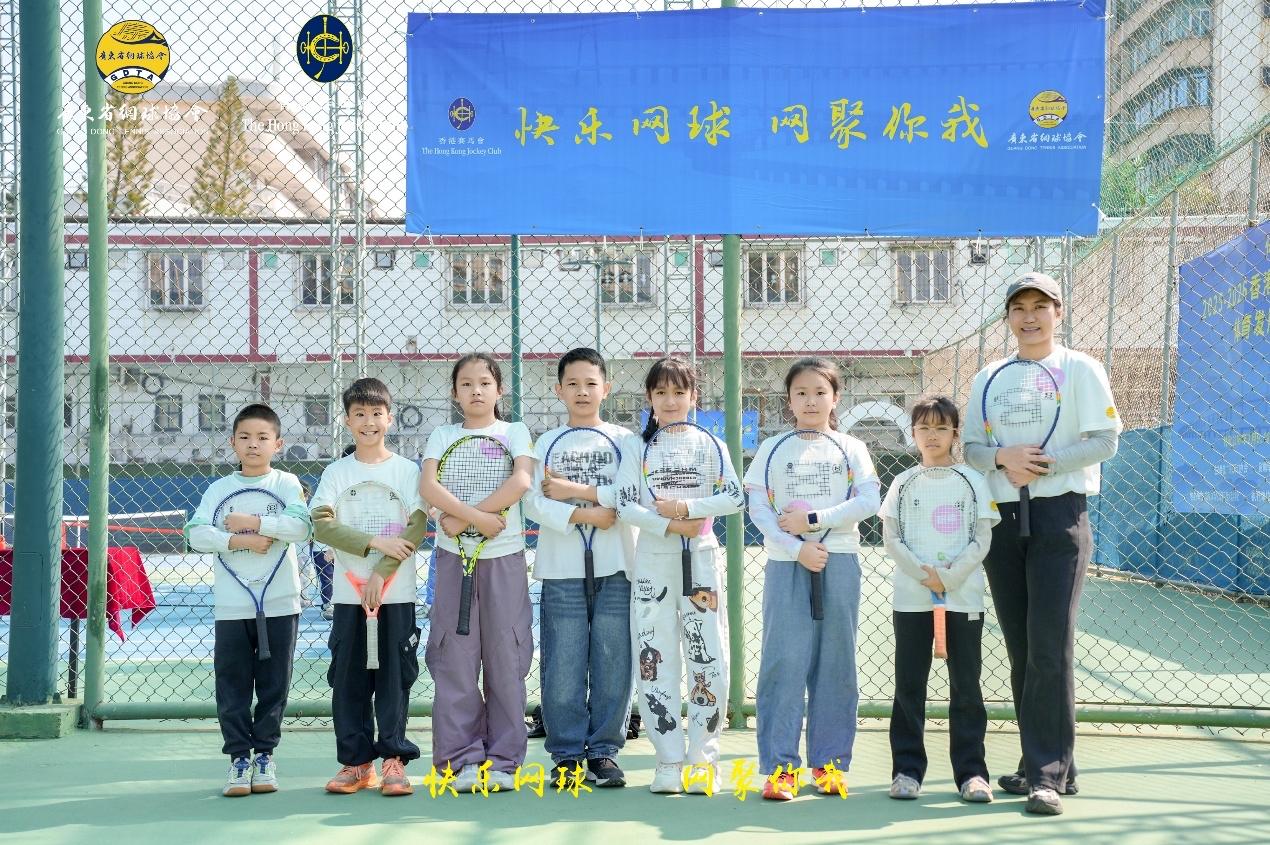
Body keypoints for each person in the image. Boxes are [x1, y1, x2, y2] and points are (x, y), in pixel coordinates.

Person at [963, 272, 1121, 816]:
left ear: (1058, 312)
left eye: (1040, 306)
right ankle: (1050, 765)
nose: (1029, 317)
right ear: (1008, 317)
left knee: (1049, 646)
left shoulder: (1082, 368)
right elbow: (972, 448)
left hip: (1059, 517)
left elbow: (1105, 439)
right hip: (1003, 521)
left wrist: (1044, 463)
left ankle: (1045, 777)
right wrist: (1002, 458)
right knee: (1023, 649)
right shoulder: (988, 376)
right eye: (1019, 308)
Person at [743, 357, 880, 800]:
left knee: (836, 663)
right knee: (783, 662)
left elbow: (868, 500)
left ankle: (829, 765)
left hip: (839, 560)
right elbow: (760, 509)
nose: (810, 401)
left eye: (820, 392)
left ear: (835, 398)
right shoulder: (772, 449)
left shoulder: (851, 447)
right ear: (789, 399)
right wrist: (796, 547)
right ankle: (780, 768)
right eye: (801, 392)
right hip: (787, 563)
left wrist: (815, 521)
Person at [615, 356, 744, 795]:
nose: (670, 401)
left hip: (702, 560)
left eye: (679, 392)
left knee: (709, 658)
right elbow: (626, 505)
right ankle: (668, 760)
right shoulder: (635, 447)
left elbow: (734, 497)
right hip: (653, 563)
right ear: (649, 398)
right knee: (655, 658)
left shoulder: (711, 444)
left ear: (693, 396)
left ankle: (703, 761)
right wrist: (671, 525)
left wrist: (688, 509)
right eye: (661, 392)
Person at [421, 353, 536, 793]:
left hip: (504, 559)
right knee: (455, 660)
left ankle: (504, 761)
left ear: (499, 390)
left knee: (506, 660)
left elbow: (520, 482)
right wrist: (475, 520)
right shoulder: (443, 435)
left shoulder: (514, 431)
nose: (476, 390)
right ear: (455, 393)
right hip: (453, 559)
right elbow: (428, 487)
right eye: (466, 384)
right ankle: (461, 760)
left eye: (485, 383)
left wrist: (471, 518)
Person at [524, 347, 637, 787]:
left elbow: (631, 496)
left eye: (591, 383)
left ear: (606, 388)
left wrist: (581, 495)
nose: (582, 391)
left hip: (617, 568)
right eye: (572, 384)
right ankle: (567, 754)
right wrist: (583, 514)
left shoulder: (625, 440)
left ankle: (604, 752)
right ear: (558, 390)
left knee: (614, 661)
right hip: (561, 571)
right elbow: (534, 502)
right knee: (563, 664)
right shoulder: (546, 442)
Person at [185, 403, 311, 797]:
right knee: (233, 684)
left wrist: (254, 523)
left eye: (262, 437)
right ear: (232, 442)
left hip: (281, 603)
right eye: (245, 437)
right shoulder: (218, 489)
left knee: (275, 685)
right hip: (232, 607)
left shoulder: (287, 483)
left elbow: (301, 528)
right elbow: (195, 534)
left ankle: (265, 756)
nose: (253, 444)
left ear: (278, 444)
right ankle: (239, 758)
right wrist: (240, 541)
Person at [879, 395, 998, 803]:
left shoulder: (973, 481)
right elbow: (891, 538)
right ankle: (906, 772)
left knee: (966, 687)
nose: (932, 436)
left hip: (963, 600)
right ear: (913, 433)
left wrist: (948, 576)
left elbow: (982, 538)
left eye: (941, 428)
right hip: (911, 601)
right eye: (924, 428)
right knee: (909, 686)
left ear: (955, 433)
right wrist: (923, 574)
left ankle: (972, 774)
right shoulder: (902, 482)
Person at [311, 377, 426, 797]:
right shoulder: (336, 472)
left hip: (396, 595)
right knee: (349, 681)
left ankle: (394, 759)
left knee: (395, 679)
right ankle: (357, 763)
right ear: (347, 420)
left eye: (377, 413)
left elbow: (416, 526)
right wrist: (374, 543)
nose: (369, 421)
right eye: (359, 414)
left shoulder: (407, 471)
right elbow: (322, 525)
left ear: (390, 418)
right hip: (348, 596)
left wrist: (381, 573)